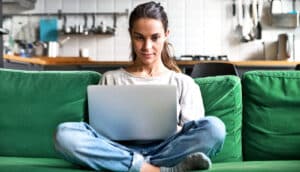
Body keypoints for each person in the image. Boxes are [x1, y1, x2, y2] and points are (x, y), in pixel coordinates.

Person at [54, 1, 226, 172]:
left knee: (215, 128)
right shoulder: (111, 79)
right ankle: (155, 170)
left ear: (166, 35)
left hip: (167, 151)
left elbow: (190, 133)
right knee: (64, 134)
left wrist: (167, 127)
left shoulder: (183, 82)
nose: (147, 46)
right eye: (139, 37)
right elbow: (99, 133)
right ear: (130, 35)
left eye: (155, 37)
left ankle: (131, 166)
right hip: (118, 149)